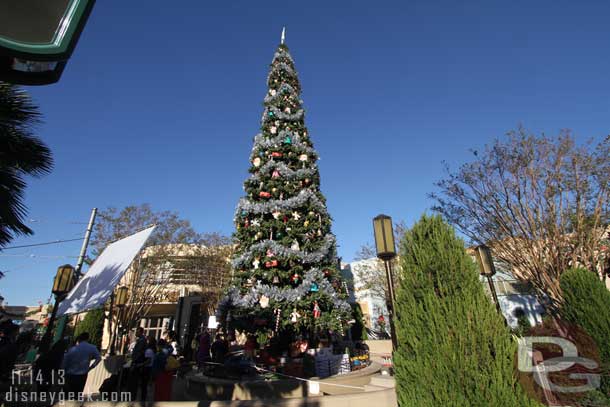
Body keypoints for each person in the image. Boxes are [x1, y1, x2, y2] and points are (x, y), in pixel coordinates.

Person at [61, 333, 101, 398]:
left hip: (70, 374)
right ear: (88, 338)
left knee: (67, 395)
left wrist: (63, 371)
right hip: (82, 374)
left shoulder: (73, 349)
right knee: (77, 394)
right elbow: (98, 358)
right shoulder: (92, 347)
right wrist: (91, 367)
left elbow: (65, 361)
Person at [128, 327, 146, 399]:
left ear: (141, 332)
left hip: (136, 363)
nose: (136, 333)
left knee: (133, 381)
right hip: (136, 362)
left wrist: (134, 362)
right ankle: (132, 395)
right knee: (133, 381)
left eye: (137, 332)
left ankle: (132, 396)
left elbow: (138, 352)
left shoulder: (142, 340)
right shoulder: (140, 340)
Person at [136, 336, 156, 401]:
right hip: (150, 369)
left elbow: (148, 361)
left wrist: (140, 364)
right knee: (145, 385)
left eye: (147, 340)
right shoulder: (152, 350)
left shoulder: (149, 350)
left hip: (146, 369)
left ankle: (143, 400)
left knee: (144, 386)